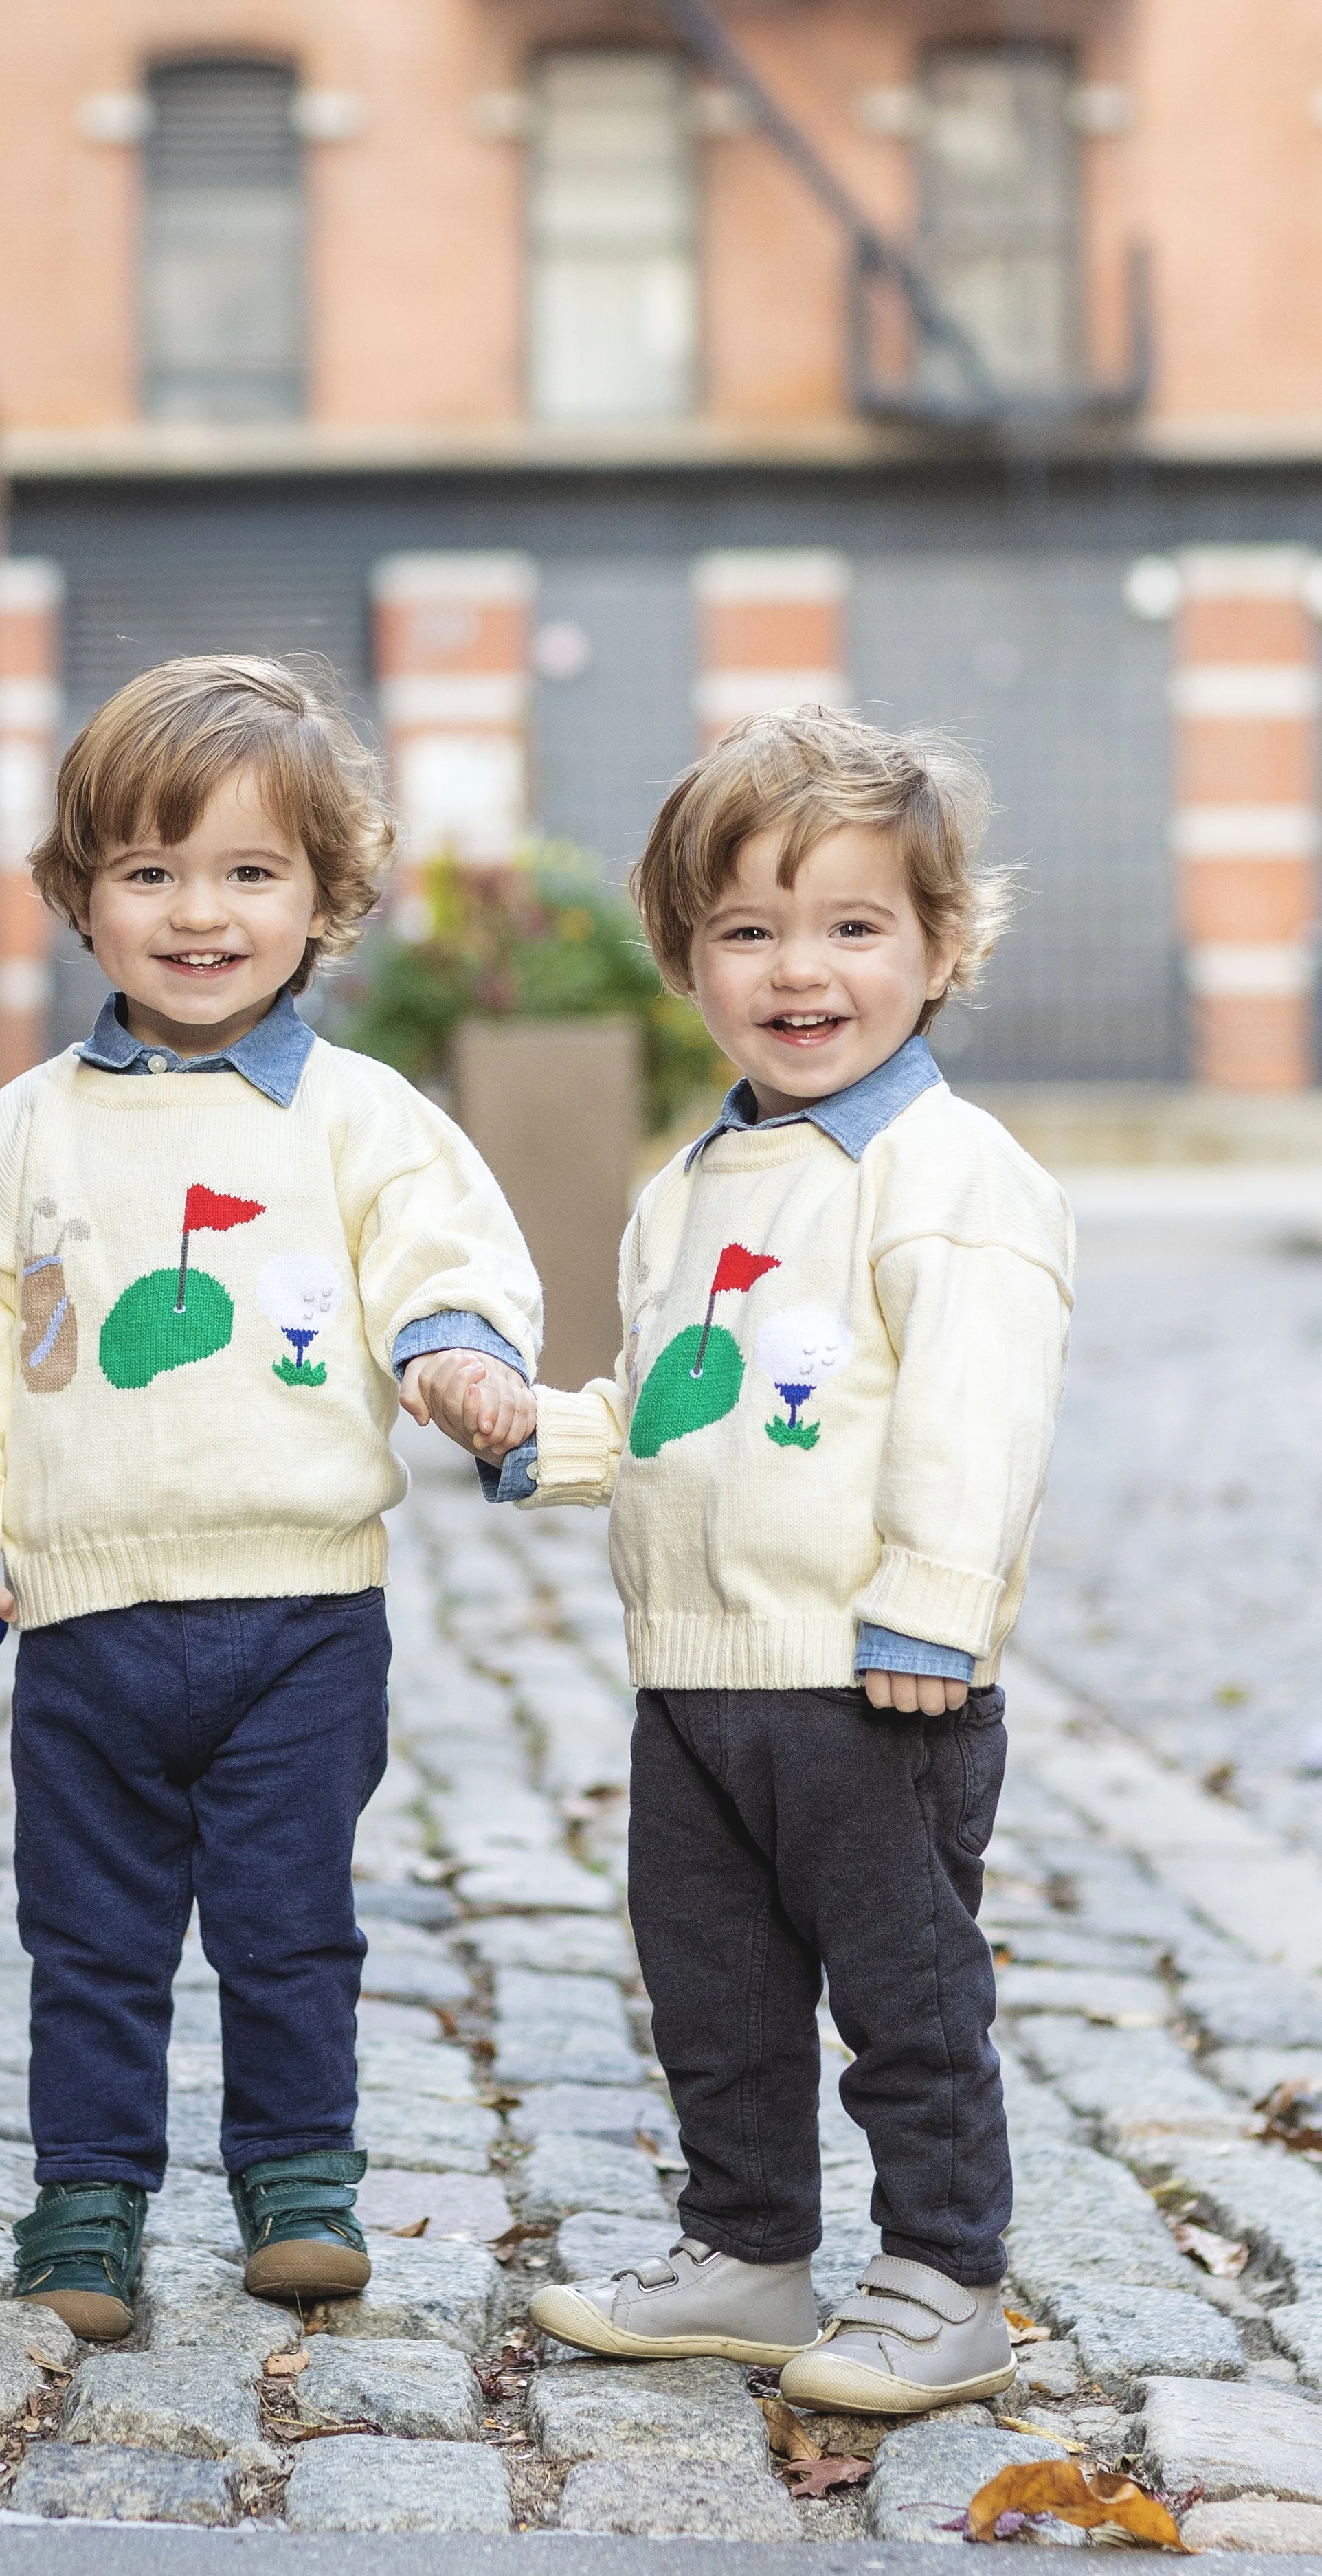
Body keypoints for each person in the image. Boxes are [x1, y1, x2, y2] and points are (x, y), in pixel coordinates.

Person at [0, 656, 537, 2340]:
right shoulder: (24, 1132)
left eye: (250, 872)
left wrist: (458, 1365)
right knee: (87, 1931)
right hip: (85, 1617)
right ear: (81, 895)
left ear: (324, 897)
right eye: (150, 870)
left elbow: (440, 1263)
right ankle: (87, 2194)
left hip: (300, 1613)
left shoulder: (362, 1118)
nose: (197, 912)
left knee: (287, 1919)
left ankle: (298, 2174)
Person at [486, 706, 1073, 2415]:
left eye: (850, 925)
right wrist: (545, 1435)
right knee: (714, 1992)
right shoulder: (690, 1184)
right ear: (684, 958)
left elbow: (978, 1414)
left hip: (867, 1679)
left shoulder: (948, 1177)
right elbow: (678, 1399)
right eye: (744, 927)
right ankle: (745, 2245)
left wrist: (932, 1609)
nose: (795, 968)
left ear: (940, 945)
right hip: (697, 1677)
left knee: (905, 1996)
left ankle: (944, 2271)